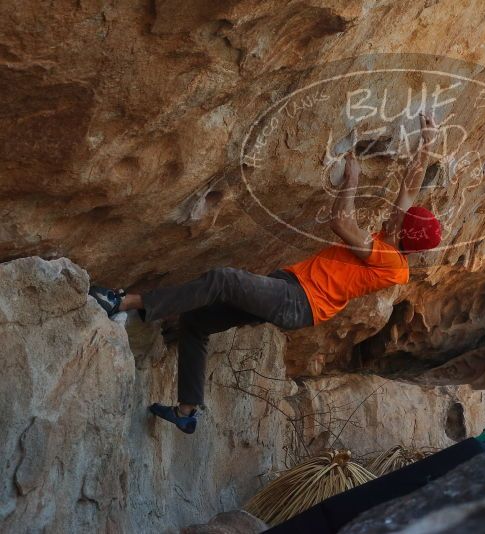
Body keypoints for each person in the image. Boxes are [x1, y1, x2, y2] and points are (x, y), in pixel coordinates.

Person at [89, 113, 442, 434]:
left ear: (405, 232)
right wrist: (428, 142)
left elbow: (341, 222)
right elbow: (408, 190)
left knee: (223, 279)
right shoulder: (396, 238)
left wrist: (352, 180)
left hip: (298, 300)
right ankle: (186, 410)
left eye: (400, 218)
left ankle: (123, 301)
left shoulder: (392, 262)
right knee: (196, 322)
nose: (394, 214)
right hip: (288, 287)